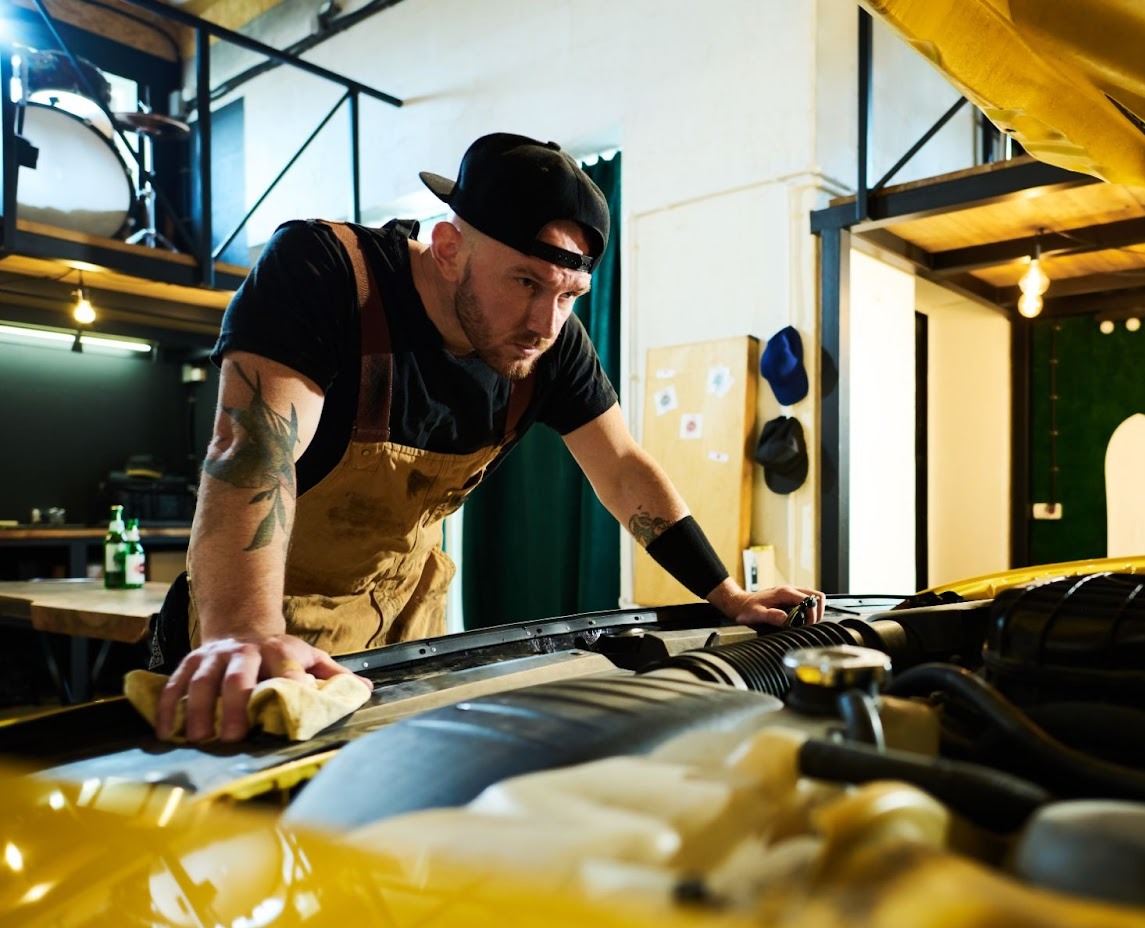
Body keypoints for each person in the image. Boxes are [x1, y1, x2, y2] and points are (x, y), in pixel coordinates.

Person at [151, 132, 823, 743]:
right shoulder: (326, 274)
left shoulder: (551, 347)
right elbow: (255, 448)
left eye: (569, 295)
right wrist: (243, 632)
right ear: (449, 249)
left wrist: (727, 594)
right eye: (525, 282)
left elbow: (620, 467)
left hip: (404, 637)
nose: (546, 322)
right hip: (262, 630)